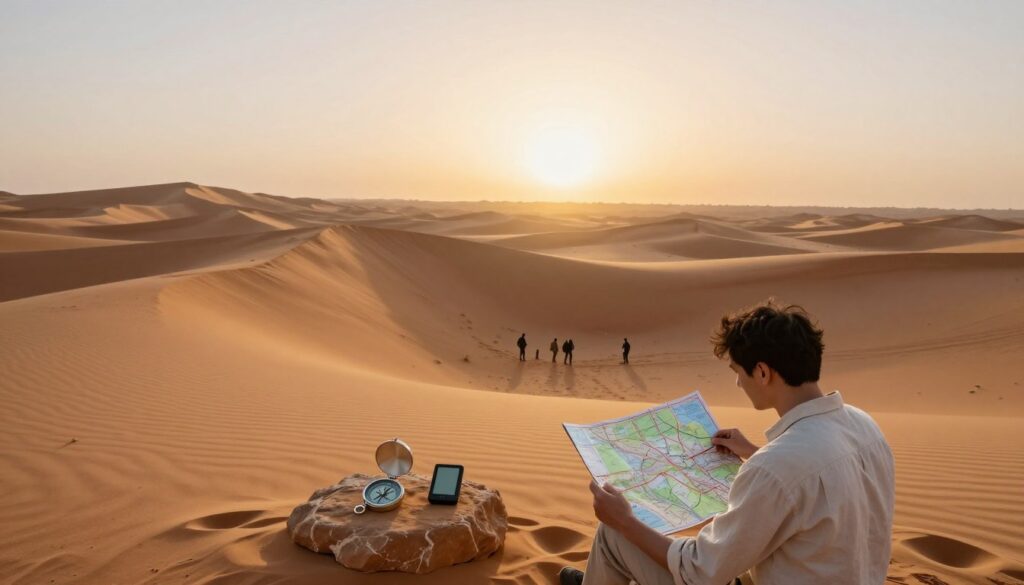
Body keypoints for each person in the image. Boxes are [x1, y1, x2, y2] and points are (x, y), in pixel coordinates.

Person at [559, 301, 895, 585]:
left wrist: (624, 521)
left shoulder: (776, 468)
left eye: (738, 370)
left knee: (613, 537)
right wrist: (752, 452)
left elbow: (700, 572)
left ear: (762, 372)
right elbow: (813, 486)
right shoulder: (866, 427)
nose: (737, 382)